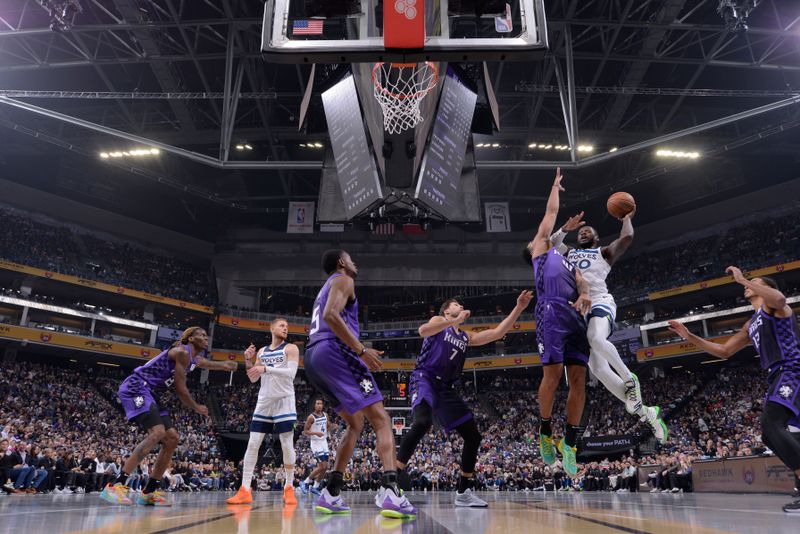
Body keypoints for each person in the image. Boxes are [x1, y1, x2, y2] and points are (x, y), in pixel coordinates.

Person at [668, 268, 800, 513]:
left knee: (772, 425)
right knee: (776, 435)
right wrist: (689, 336)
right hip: (776, 377)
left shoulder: (777, 308)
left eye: (754, 283)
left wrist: (742, 278)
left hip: (792, 371)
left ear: (766, 288)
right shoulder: (751, 323)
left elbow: (780, 298)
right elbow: (724, 351)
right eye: (747, 283)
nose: (747, 286)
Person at [303, 249, 416, 518]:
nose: (356, 261)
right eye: (351, 258)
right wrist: (361, 350)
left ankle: (330, 492)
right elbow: (332, 315)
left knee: (356, 423)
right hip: (334, 351)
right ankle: (391, 490)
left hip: (313, 358)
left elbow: (326, 315)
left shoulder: (324, 288)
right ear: (342, 263)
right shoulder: (344, 280)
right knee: (381, 419)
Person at [396, 291, 533, 507]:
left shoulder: (464, 337)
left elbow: (498, 333)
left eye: (460, 305)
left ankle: (463, 491)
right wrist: (455, 320)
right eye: (455, 304)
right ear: (446, 310)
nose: (460, 305)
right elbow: (423, 331)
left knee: (473, 437)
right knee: (423, 422)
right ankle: (392, 477)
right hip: (426, 378)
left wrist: (519, 308)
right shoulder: (439, 321)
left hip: (447, 389)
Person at [550, 211, 667, 442]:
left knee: (595, 338)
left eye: (587, 231)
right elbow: (551, 244)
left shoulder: (602, 252)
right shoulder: (570, 253)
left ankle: (630, 379)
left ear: (596, 237)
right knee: (598, 369)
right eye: (581, 231)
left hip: (600, 302)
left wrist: (626, 220)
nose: (583, 232)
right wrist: (565, 228)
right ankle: (647, 413)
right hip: (579, 311)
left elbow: (626, 239)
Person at [99, 326, 237, 506]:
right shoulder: (182, 353)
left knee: (172, 438)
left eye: (206, 335)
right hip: (136, 386)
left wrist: (231, 365)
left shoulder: (194, 358)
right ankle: (114, 486)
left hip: (150, 392)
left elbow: (213, 364)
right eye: (202, 335)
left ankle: (148, 492)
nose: (206, 338)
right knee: (157, 432)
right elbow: (180, 389)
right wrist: (196, 406)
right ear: (191, 339)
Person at [523, 167, 591, 478]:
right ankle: (546, 429)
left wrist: (585, 295)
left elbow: (582, 282)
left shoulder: (566, 257)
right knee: (551, 376)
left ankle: (571, 443)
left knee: (579, 380)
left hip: (574, 315)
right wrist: (554, 186)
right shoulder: (540, 249)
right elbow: (550, 213)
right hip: (550, 311)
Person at [227, 318, 300, 506]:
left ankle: (289, 487)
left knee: (286, 444)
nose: (285, 328)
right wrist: (248, 360)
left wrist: (265, 367)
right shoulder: (262, 351)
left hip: (284, 400)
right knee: (252, 444)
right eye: (281, 325)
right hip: (264, 400)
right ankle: (244, 489)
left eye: (287, 326)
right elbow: (253, 378)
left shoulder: (291, 348)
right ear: (271, 328)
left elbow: (291, 374)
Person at [299, 399, 330, 496]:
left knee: (325, 467)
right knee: (321, 466)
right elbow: (305, 431)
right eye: (317, 404)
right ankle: (305, 482)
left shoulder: (326, 415)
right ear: (314, 405)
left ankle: (315, 486)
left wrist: (332, 426)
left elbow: (327, 426)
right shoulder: (311, 417)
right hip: (316, 442)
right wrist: (316, 433)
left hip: (324, 441)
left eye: (321, 404)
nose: (319, 405)